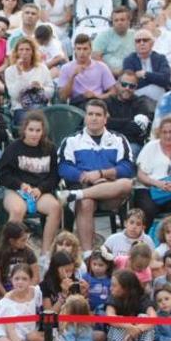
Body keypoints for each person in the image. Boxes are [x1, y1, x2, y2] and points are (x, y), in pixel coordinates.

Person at [57, 99, 135, 252]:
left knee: (127, 183)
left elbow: (127, 167)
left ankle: (75, 195)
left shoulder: (119, 139)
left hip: (110, 193)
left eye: (98, 115)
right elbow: (63, 167)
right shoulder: (72, 140)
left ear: (105, 118)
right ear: (85, 117)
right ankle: (87, 255)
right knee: (86, 203)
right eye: (90, 114)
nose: (94, 118)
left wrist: (101, 174)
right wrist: (84, 176)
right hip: (85, 187)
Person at [0, 111, 62, 250]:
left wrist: (41, 189)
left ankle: (45, 252)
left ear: (43, 131)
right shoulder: (13, 148)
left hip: (40, 192)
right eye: (31, 130)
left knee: (55, 208)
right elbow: (3, 175)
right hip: (16, 190)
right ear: (24, 130)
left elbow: (54, 176)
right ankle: (8, 251)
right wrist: (20, 184)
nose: (34, 134)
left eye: (38, 130)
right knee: (17, 209)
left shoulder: (50, 149)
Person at [133, 117, 171, 228]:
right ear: (159, 133)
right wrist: (157, 183)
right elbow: (140, 175)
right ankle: (143, 243)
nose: (168, 135)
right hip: (149, 188)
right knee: (147, 209)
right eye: (164, 132)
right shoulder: (150, 147)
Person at [57, 34, 116, 108]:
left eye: (85, 49)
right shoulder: (66, 68)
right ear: (74, 50)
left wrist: (97, 96)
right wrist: (72, 76)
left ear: (90, 50)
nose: (82, 52)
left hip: (99, 102)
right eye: (79, 49)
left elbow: (113, 92)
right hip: (78, 103)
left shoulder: (101, 66)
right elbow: (63, 96)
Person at [106, 71, 153, 157]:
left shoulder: (141, 103)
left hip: (131, 143)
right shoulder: (108, 102)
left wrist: (113, 122)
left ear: (136, 88)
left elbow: (138, 128)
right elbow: (104, 124)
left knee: (129, 153)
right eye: (124, 84)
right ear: (117, 84)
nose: (127, 88)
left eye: (132, 86)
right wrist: (130, 121)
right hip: (108, 142)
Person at [121, 28, 171, 103]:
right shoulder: (129, 60)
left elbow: (165, 79)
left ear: (152, 43)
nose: (142, 43)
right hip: (138, 97)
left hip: (160, 96)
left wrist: (145, 74)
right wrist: (156, 79)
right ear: (134, 44)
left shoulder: (161, 58)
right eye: (138, 41)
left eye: (145, 40)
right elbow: (131, 83)